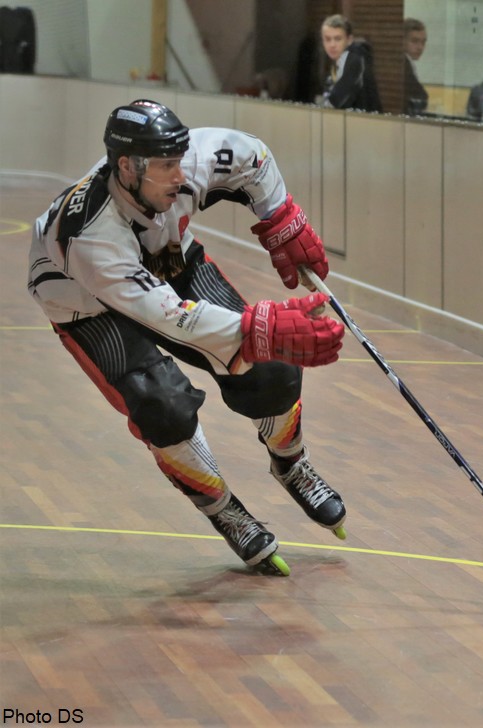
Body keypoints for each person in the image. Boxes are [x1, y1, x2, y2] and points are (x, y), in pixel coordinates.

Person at [25, 100, 348, 575]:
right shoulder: (89, 236)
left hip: (166, 257)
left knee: (273, 369)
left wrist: (281, 217)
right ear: (127, 167)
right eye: (166, 167)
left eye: (180, 161)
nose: (181, 176)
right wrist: (258, 329)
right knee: (162, 404)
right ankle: (223, 508)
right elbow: (172, 320)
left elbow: (254, 157)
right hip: (85, 304)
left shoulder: (184, 158)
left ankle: (291, 461)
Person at [320, 14, 382, 112]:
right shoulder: (338, 64)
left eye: (337, 39)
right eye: (327, 39)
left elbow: (336, 103)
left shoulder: (354, 60)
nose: (332, 45)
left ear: (349, 40)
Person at [403, 18, 429, 115]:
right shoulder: (402, 66)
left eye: (423, 42)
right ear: (402, 41)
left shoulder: (408, 63)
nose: (420, 47)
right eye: (414, 41)